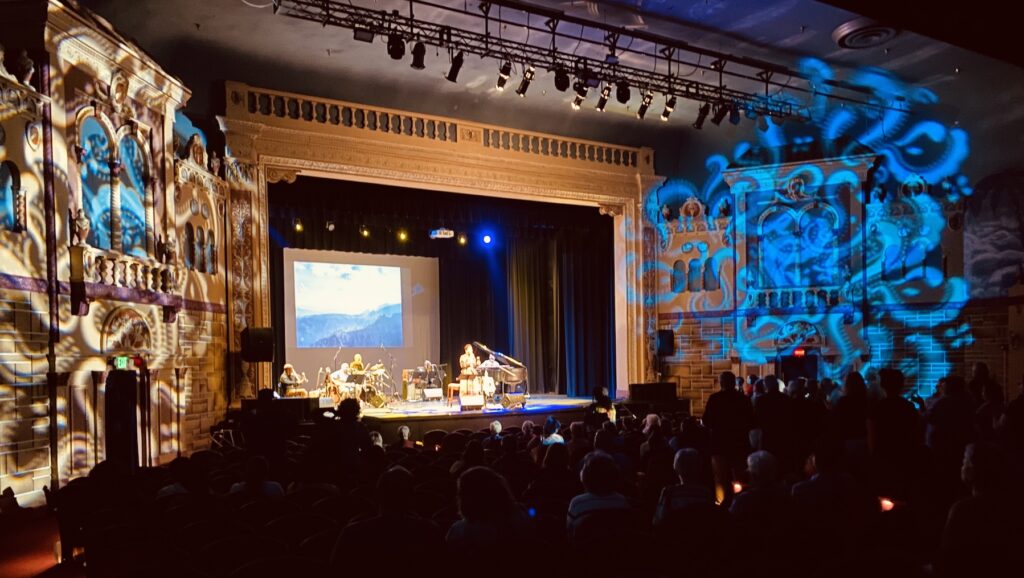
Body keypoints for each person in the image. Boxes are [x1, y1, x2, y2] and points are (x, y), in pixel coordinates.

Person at [703, 371, 754, 504]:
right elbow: (751, 421)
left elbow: (707, 421)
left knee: (720, 479)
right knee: (739, 477)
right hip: (739, 444)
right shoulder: (743, 399)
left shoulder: (715, 399)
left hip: (719, 445)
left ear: (721, 383)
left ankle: (721, 506)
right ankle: (741, 503)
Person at [653, 448, 715, 526]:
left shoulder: (669, 493)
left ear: (676, 468)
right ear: (699, 467)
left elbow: (658, 521)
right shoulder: (706, 493)